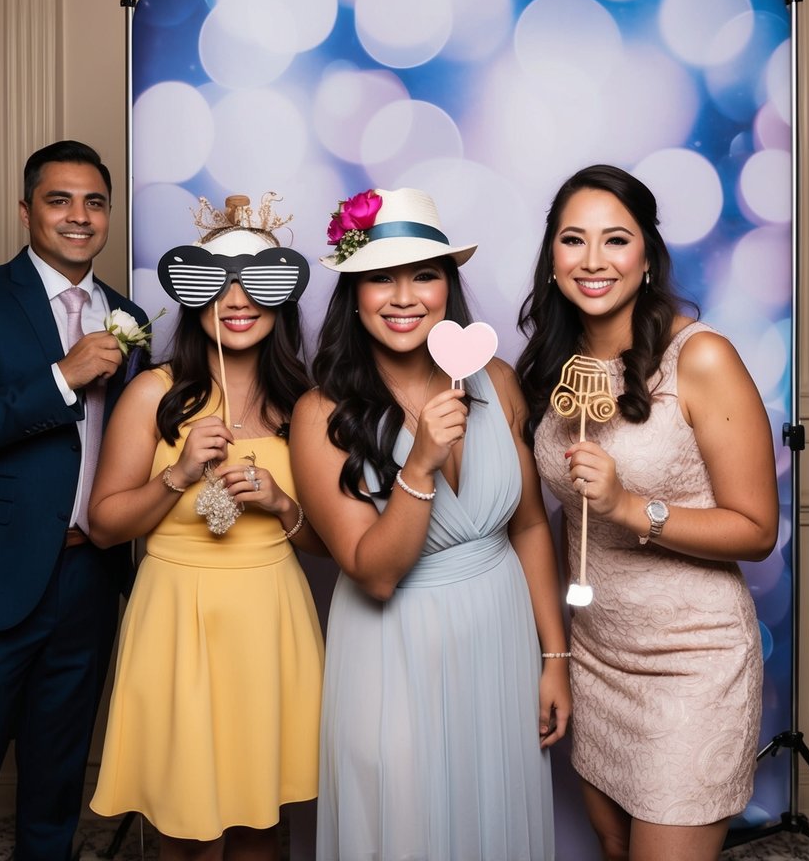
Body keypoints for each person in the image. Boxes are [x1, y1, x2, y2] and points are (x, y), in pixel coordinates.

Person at [290, 186, 571, 861]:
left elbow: (529, 527)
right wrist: (417, 466)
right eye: (380, 278)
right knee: (406, 826)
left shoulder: (495, 381)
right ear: (353, 295)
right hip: (395, 651)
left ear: (449, 287)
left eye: (424, 274)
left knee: (490, 823)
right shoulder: (319, 414)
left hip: (498, 640)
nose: (404, 296)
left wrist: (554, 659)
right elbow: (375, 575)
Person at [516, 164, 779, 861]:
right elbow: (534, 521)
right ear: (551, 257)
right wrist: (558, 657)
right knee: (612, 849)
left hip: (692, 666)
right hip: (598, 657)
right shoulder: (548, 367)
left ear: (646, 256)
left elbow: (756, 531)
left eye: (615, 240)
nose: (593, 260)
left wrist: (630, 507)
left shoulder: (700, 360)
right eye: (573, 240)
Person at [88, 193, 324, 861]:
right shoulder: (152, 393)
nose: (237, 299)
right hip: (175, 621)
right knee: (186, 832)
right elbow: (104, 527)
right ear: (194, 297)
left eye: (256, 282)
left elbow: (326, 544)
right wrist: (177, 475)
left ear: (280, 295)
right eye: (217, 284)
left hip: (269, 617)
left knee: (260, 826)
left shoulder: (302, 403)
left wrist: (281, 504)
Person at [0, 139, 148, 861]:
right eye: (59, 200)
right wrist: (62, 379)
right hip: (3, 573)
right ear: (26, 210)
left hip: (91, 576)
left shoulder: (128, 315)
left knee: (55, 787)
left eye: (94, 202)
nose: (78, 217)